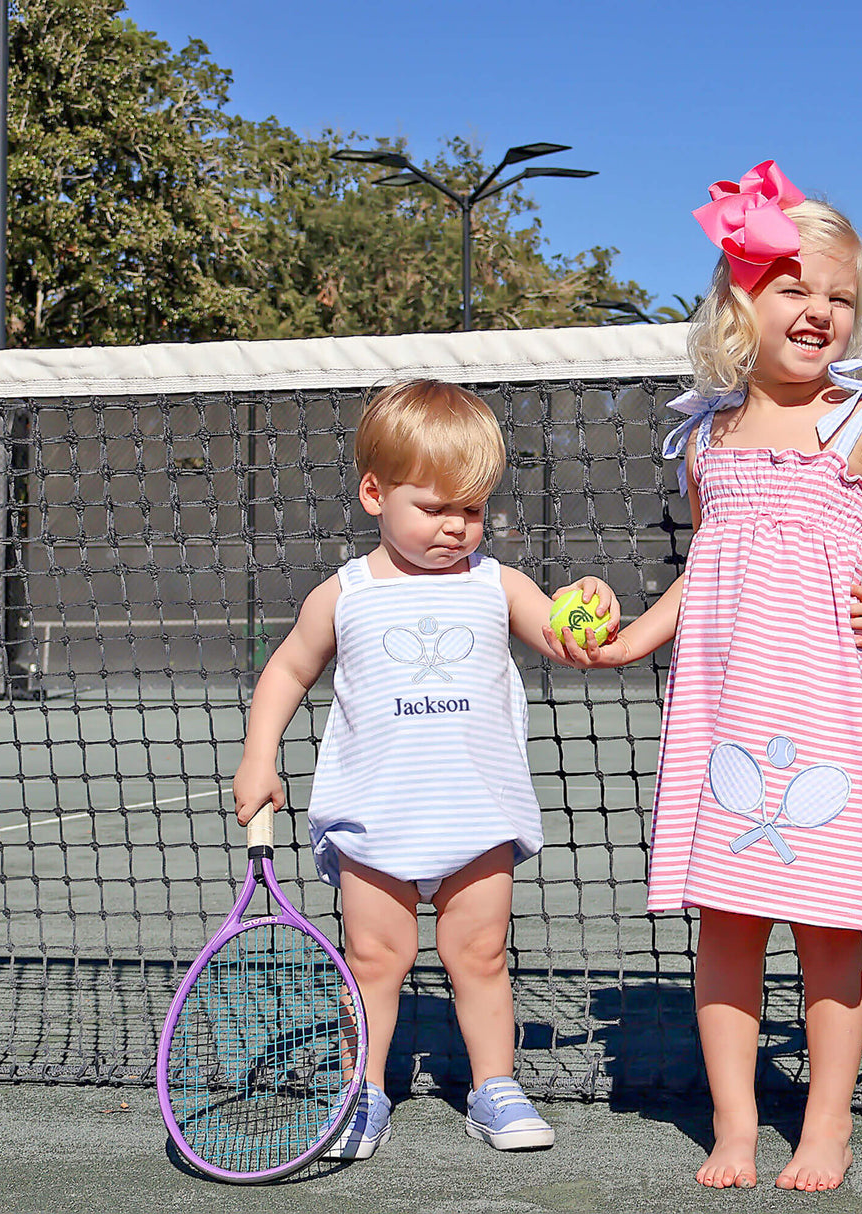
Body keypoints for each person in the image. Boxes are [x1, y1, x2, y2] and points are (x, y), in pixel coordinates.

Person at [570, 161, 862, 1191]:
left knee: (826, 930)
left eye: (839, 297)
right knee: (724, 926)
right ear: (740, 301)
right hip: (717, 715)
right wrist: (639, 636)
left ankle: (825, 1129)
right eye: (793, 288)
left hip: (820, 718)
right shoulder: (706, 436)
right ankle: (732, 1125)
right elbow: (708, 564)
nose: (818, 311)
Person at [231, 379, 613, 1159]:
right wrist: (258, 758)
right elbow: (285, 674)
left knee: (480, 956)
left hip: (477, 817)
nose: (454, 528)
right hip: (375, 817)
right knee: (375, 960)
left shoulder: (496, 583)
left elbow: (561, 634)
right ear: (375, 493)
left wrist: (588, 601)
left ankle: (495, 1089)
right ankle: (361, 1090)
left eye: (470, 511)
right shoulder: (345, 593)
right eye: (434, 508)